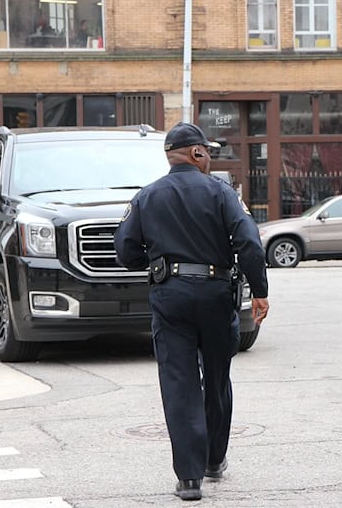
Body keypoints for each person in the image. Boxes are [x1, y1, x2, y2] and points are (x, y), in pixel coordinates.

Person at [114, 122, 270, 501]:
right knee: (217, 377)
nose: (210, 158)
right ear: (197, 154)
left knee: (179, 382)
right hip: (217, 294)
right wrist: (260, 292)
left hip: (170, 296)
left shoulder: (147, 196)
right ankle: (214, 460)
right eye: (208, 152)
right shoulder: (221, 192)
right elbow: (249, 242)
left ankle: (189, 479)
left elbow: (125, 251)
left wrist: (157, 261)